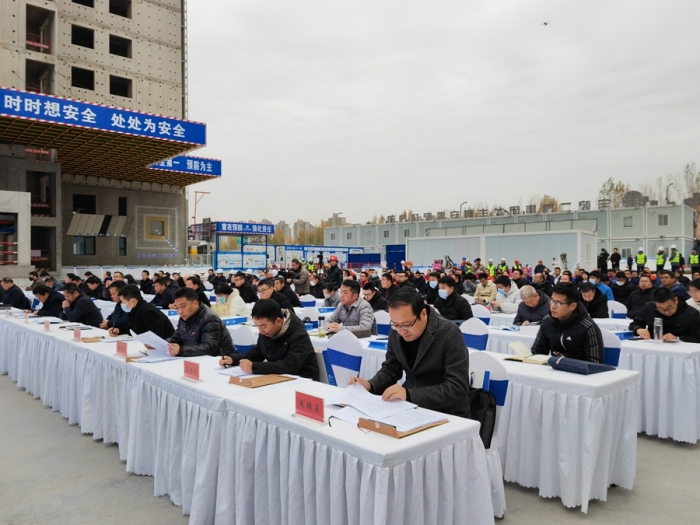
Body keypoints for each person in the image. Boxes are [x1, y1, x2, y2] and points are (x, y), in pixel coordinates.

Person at [350, 289, 470, 417]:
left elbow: (457, 387)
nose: (402, 331)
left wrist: (409, 395)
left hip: (446, 412)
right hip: (408, 407)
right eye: (396, 324)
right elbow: (391, 369)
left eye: (407, 325)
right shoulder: (397, 330)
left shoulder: (449, 333)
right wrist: (370, 385)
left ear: (423, 314)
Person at [219, 299, 319, 379]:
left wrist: (254, 367)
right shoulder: (267, 332)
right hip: (278, 379)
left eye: (263, 326)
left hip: (303, 382)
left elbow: (290, 365)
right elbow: (257, 354)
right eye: (257, 326)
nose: (260, 331)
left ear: (278, 321)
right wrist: (234, 359)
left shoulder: (299, 335)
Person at [531, 284, 605, 363]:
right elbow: (537, 352)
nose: (553, 306)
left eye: (559, 303)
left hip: (578, 369)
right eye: (552, 300)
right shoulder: (547, 321)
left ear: (573, 306)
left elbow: (594, 363)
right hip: (553, 368)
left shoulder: (588, 327)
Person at [165, 288, 236, 357]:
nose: (180, 311)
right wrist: (163, 343)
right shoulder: (184, 317)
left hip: (221, 359)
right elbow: (177, 337)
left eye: (183, 306)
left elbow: (209, 348)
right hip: (196, 357)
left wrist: (181, 350)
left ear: (195, 303)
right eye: (177, 308)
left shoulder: (209, 318)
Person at [629, 287, 700, 343]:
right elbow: (634, 324)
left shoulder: (691, 313)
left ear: (676, 300)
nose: (666, 312)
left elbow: (697, 337)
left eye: (669, 308)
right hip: (653, 345)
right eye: (660, 309)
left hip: (679, 350)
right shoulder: (649, 308)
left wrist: (677, 338)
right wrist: (638, 329)